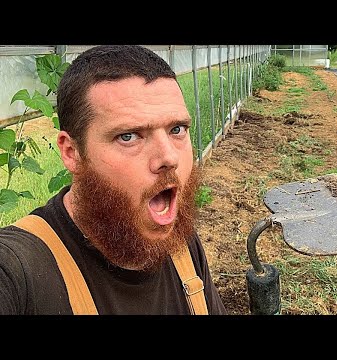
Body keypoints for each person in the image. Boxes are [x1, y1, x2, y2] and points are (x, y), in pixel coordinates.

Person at [0, 45, 226, 315]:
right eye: (129, 136)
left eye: (177, 130)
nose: (169, 157)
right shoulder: (18, 271)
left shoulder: (181, 246)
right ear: (72, 153)